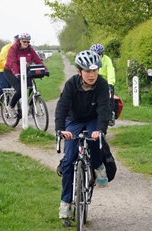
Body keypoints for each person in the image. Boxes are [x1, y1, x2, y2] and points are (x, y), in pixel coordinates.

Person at [55, 50, 110, 219]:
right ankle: (65, 202)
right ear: (79, 72)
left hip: (93, 119)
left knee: (94, 141)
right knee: (69, 159)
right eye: (87, 71)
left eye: (94, 71)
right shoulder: (71, 84)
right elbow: (62, 107)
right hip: (74, 120)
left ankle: (98, 165)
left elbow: (103, 110)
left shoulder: (102, 84)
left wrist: (100, 130)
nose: (91, 75)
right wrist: (60, 130)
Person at [4, 32, 48, 118]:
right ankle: (10, 107)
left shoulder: (30, 49)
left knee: (31, 86)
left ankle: (30, 106)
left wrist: (45, 70)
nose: (26, 43)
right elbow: (12, 63)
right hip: (11, 71)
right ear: (19, 41)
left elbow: (37, 60)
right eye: (24, 41)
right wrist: (16, 73)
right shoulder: (13, 49)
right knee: (20, 89)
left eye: (28, 42)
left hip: (24, 70)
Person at [90, 43, 116, 126]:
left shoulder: (107, 59)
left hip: (105, 83)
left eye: (99, 55)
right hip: (94, 82)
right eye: (95, 55)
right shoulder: (90, 60)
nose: (97, 57)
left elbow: (110, 71)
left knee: (109, 99)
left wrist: (110, 83)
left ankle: (110, 116)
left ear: (102, 54)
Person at [0, 34, 18, 111]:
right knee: (5, 86)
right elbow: (4, 61)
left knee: (11, 87)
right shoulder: (6, 48)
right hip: (0, 70)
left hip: (11, 70)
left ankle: (8, 105)